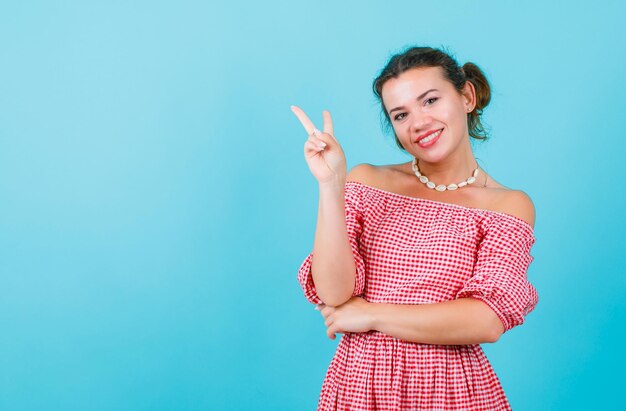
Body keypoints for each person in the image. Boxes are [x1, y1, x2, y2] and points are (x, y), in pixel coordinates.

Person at [291, 45, 538, 411]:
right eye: (401, 114)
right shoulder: (368, 182)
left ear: (467, 96)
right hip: (361, 383)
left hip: (451, 389)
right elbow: (334, 293)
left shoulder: (507, 205)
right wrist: (331, 185)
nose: (418, 123)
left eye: (431, 100)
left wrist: (372, 314)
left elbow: (486, 319)